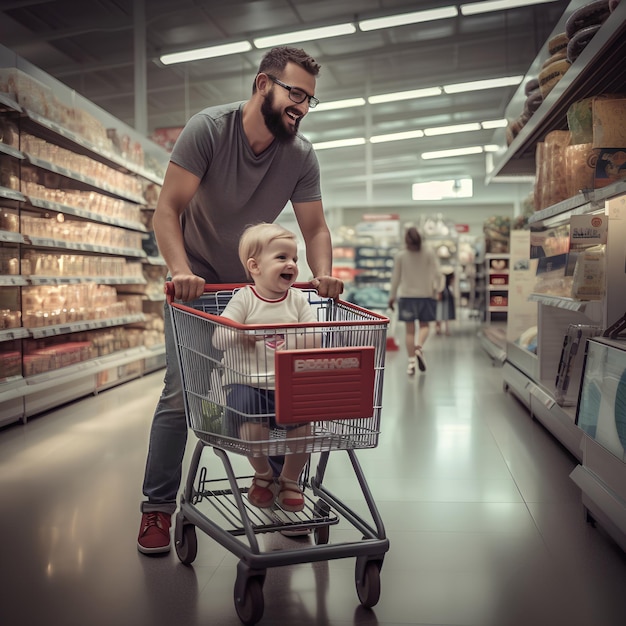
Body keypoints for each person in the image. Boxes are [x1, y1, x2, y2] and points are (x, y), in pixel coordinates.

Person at [137, 46, 343, 554]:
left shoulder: (300, 155)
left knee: (276, 386)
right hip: (199, 284)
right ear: (262, 85)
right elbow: (168, 210)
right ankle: (156, 509)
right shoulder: (209, 130)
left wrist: (323, 274)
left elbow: (315, 227)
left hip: (258, 290)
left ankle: (278, 489)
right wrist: (181, 271)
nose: (301, 106)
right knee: (182, 390)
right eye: (295, 93)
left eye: (309, 100)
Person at [214, 223, 319, 512]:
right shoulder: (244, 298)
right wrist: (240, 331)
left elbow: (315, 335)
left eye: (295, 259)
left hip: (289, 383)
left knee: (304, 431)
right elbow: (218, 338)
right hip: (247, 383)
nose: (292, 265)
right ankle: (263, 474)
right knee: (251, 430)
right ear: (255, 266)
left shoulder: (297, 300)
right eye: (282, 257)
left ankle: (290, 479)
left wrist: (298, 341)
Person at [388, 226, 443, 376]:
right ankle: (419, 347)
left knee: (409, 331)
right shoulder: (429, 253)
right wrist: (439, 289)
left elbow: (396, 278)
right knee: (425, 326)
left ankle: (411, 363)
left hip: (406, 297)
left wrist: (392, 297)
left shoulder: (401, 256)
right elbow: (438, 273)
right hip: (426, 295)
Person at [435, 270, 456, 336]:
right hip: (443, 295)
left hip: (444, 295)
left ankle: (440, 328)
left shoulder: (442, 277)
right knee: (442, 312)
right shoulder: (442, 278)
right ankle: (441, 328)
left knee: (440, 312)